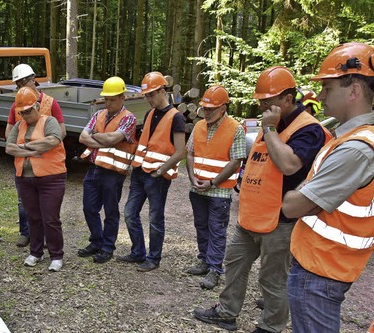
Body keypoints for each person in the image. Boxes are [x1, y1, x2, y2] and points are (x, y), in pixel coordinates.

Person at [193, 66, 331, 333]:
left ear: (287, 100)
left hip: (280, 220)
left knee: (273, 279)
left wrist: (269, 129)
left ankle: (271, 326)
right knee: (234, 264)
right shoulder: (271, 123)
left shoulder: (308, 129)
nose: (262, 107)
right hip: (250, 216)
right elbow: (258, 162)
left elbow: (289, 165)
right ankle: (227, 312)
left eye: (267, 102)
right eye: (261, 102)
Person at [281, 42, 374, 332]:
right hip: (323, 266)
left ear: (354, 90)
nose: (320, 96)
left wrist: (295, 193)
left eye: (328, 88)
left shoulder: (356, 149)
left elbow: (293, 206)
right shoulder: (351, 138)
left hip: (320, 271)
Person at [116, 71, 185, 272]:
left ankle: (154, 258)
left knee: (155, 218)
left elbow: (180, 151)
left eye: (151, 94)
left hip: (158, 177)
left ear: (163, 91)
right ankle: (138, 252)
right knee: (130, 213)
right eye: (146, 95)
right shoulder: (149, 114)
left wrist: (160, 170)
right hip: (139, 173)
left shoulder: (177, 117)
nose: (148, 98)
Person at [184, 85, 245, 289]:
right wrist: (192, 177)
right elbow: (190, 153)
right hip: (197, 188)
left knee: (216, 229)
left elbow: (236, 160)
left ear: (223, 108)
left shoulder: (235, 128)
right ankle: (204, 260)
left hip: (219, 192)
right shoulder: (199, 126)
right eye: (204, 108)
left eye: (211, 108)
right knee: (201, 226)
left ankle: (214, 269)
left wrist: (213, 182)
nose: (206, 112)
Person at [6, 88, 67, 271]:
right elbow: (9, 148)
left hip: (51, 178)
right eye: (22, 112)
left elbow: (52, 141)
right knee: (33, 217)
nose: (25, 115)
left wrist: (23, 147)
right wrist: (33, 150)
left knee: (50, 218)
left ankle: (56, 255)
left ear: (37, 106)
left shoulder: (49, 121)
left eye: (28, 111)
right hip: (25, 178)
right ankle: (35, 252)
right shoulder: (18, 126)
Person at [77, 76, 137, 264]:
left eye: (112, 99)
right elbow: (82, 137)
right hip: (93, 169)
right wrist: (102, 137)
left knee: (110, 211)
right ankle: (96, 241)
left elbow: (113, 139)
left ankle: (107, 247)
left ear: (122, 98)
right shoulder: (98, 114)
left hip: (113, 172)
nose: (108, 103)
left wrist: (94, 136)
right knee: (89, 208)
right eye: (106, 99)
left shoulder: (129, 119)